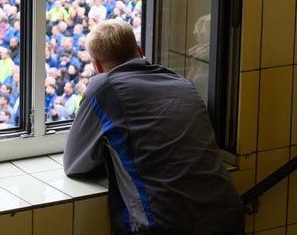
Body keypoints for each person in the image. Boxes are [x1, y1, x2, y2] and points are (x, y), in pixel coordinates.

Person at [63, 19, 245, 235]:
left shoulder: (104, 88)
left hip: (164, 223)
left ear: (97, 66)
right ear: (139, 51)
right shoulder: (183, 84)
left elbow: (75, 164)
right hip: (227, 216)